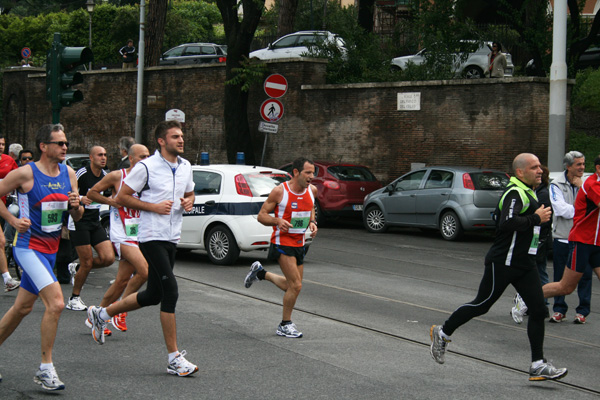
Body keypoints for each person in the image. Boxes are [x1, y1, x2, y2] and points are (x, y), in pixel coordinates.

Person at [429, 153, 567, 382]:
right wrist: (536, 218)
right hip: (503, 262)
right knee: (482, 305)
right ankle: (442, 333)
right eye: (534, 167)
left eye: (539, 167)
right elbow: (506, 223)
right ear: (520, 172)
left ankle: (537, 364)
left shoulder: (529, 191)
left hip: (525, 263)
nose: (540, 170)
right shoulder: (515, 192)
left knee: (539, 310)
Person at [87, 120, 198, 377]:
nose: (181, 140)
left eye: (181, 136)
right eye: (175, 137)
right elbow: (122, 197)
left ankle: (101, 314)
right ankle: (174, 358)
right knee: (170, 291)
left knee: (154, 295)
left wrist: (189, 202)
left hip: (172, 236)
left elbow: (191, 193)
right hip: (150, 236)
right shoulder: (146, 167)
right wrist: (153, 207)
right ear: (161, 141)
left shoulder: (186, 167)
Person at [0, 123, 83, 390]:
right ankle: (45, 368)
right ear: (43, 146)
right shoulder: (25, 173)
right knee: (57, 304)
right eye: (59, 143)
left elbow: (76, 216)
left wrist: (76, 206)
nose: (65, 147)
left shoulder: (69, 172)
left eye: (66, 143)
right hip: (27, 248)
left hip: (51, 250)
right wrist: (12, 219)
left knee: (22, 308)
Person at [244, 157, 318, 338]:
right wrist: (277, 220)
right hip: (282, 242)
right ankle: (285, 324)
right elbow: (261, 216)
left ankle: (261, 273)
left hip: (300, 242)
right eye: (307, 172)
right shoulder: (280, 192)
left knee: (292, 286)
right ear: (296, 172)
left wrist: (313, 222)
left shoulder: (312, 190)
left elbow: (310, 208)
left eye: (313, 172)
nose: (311, 176)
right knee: (296, 285)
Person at [86, 144, 150, 333]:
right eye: (141, 157)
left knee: (122, 281)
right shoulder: (118, 176)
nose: (146, 160)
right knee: (144, 271)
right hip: (121, 234)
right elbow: (92, 193)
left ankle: (96, 317)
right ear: (131, 158)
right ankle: (121, 309)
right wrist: (111, 201)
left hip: (137, 232)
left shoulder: (149, 180)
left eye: (148, 156)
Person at [542, 155, 600, 314]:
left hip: (597, 243)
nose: (582, 167)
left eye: (583, 164)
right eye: (578, 164)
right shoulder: (592, 184)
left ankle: (582, 312)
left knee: (583, 281)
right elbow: (561, 210)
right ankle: (527, 297)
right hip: (581, 242)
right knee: (565, 287)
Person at [65, 146, 115, 311]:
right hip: (79, 221)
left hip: (95, 220)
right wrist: (80, 198)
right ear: (91, 158)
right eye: (100, 155)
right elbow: (67, 193)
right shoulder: (81, 174)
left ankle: (77, 268)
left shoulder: (106, 176)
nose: (103, 158)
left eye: (105, 155)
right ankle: (74, 298)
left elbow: (110, 195)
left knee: (108, 258)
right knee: (87, 262)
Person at [510, 165, 552, 324]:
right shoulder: (525, 192)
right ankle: (532, 301)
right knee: (536, 271)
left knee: (538, 271)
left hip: (537, 240)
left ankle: (531, 300)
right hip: (531, 242)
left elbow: (544, 220)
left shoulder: (541, 194)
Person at [0, 135, 19, 291]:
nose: (1, 146)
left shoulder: (8, 160)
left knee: (1, 242)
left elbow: (19, 179)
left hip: (3, 204)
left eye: (3, 144)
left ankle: (7, 279)